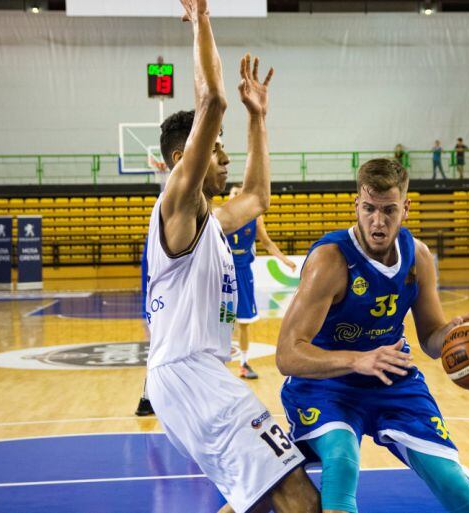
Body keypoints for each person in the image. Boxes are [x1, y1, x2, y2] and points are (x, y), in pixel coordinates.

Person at [143, 2, 319, 512]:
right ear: (184, 160)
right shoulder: (179, 206)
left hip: (198, 376)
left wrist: (258, 119)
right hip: (189, 376)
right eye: (216, 150)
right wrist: (201, 18)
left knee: (260, 501)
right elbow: (213, 100)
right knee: (297, 495)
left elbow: (260, 196)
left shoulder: (213, 225)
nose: (223, 159)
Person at [276, 158, 469, 513]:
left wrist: (457, 332)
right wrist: (358, 360)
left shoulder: (419, 258)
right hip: (328, 385)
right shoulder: (331, 261)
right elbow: (287, 355)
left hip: (392, 379)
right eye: (368, 209)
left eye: (388, 210)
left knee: (454, 484)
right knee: (342, 460)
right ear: (356, 205)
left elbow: (431, 336)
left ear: (406, 208)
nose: (378, 221)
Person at [224, 183, 297, 379]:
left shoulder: (255, 218)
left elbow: (267, 243)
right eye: (233, 193)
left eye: (240, 194)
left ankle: (244, 363)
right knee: (221, 321)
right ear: (228, 197)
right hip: (223, 275)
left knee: (244, 322)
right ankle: (216, 366)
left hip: (243, 273)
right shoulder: (217, 217)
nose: (236, 197)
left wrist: (284, 259)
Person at [135, 237, 155, 416]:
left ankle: (147, 398)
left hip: (153, 304)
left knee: (157, 353)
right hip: (162, 304)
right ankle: (147, 398)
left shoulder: (154, 236)